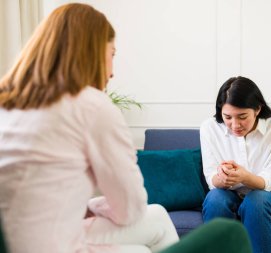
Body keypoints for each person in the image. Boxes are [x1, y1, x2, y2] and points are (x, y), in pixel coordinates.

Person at [0, 3, 179, 253]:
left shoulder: (7, 102)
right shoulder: (91, 105)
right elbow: (131, 209)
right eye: (112, 54)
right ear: (92, 51)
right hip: (50, 244)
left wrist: (87, 208)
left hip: (18, 239)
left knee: (155, 220)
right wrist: (96, 208)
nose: (113, 72)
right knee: (146, 239)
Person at [200, 76, 271, 253]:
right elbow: (211, 179)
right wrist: (221, 177)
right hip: (229, 193)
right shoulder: (209, 128)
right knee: (215, 199)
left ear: (257, 109)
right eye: (227, 117)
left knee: (256, 201)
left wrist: (245, 177)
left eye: (242, 117)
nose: (234, 125)